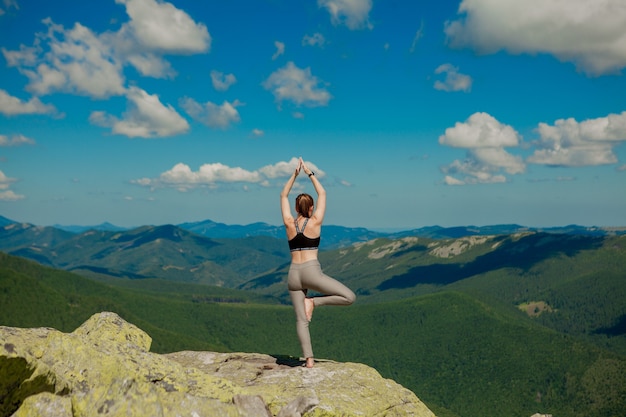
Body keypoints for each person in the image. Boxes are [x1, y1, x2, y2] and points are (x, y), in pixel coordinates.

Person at [280, 157, 356, 368]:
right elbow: (323, 193)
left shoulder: (288, 223)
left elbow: (283, 194)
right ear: (311, 208)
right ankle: (313, 302)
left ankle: (309, 360)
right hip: (312, 272)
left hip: (293, 274)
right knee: (349, 297)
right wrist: (309, 173)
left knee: (301, 320)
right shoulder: (315, 222)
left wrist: (294, 175)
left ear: (296, 208)